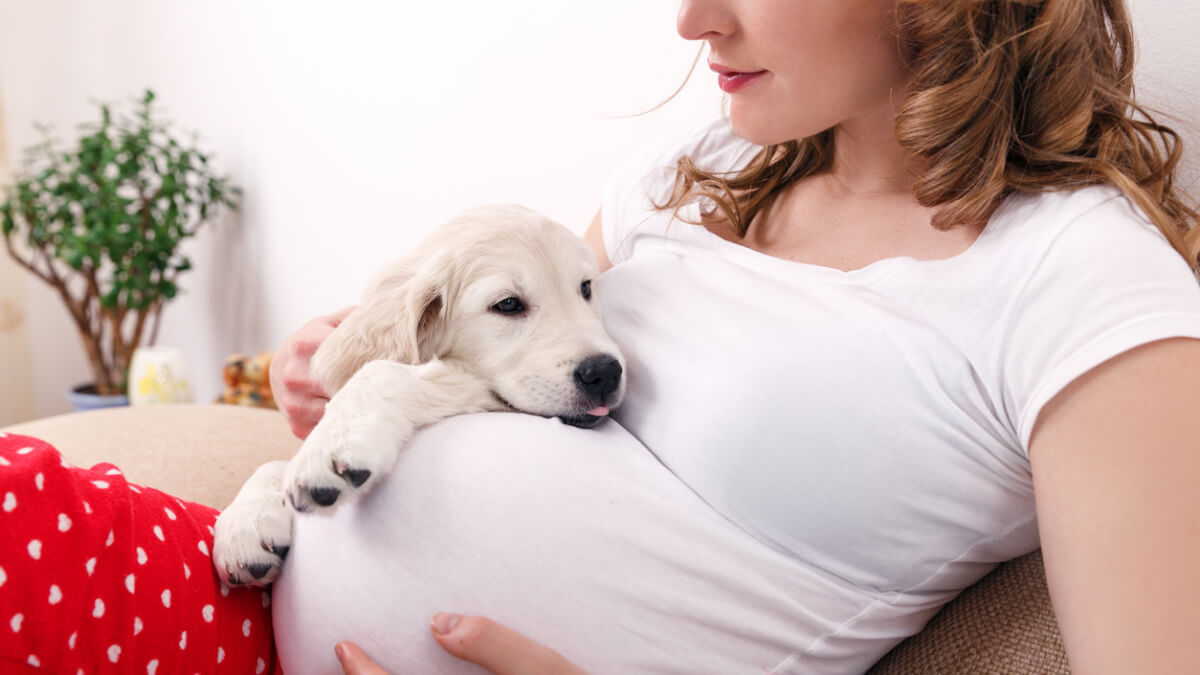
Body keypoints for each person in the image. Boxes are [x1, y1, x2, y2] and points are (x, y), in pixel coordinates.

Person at [268, 0, 1200, 673]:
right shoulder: (692, 169)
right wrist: (345, 371)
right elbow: (511, 362)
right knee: (111, 514)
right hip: (248, 606)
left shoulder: (1085, 282)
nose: (693, 19)